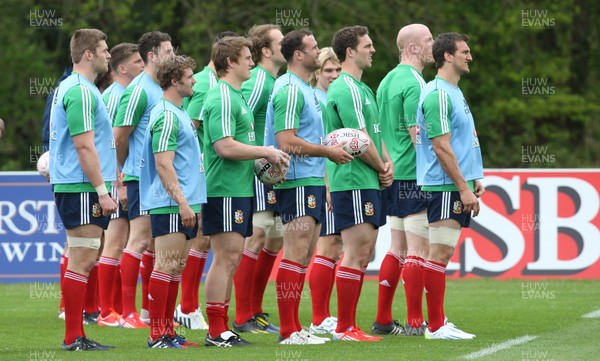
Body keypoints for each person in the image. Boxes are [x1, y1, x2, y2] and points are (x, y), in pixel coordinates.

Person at [202, 36, 290, 347]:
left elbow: (239, 149)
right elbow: (224, 146)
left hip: (238, 189)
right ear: (230, 63)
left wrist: (265, 171)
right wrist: (265, 151)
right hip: (223, 190)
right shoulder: (223, 97)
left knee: (232, 257)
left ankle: (222, 328)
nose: (252, 62)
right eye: (246, 57)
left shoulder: (237, 96)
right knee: (225, 258)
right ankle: (216, 331)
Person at [265, 29, 351, 345]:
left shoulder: (308, 89)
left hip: (312, 180)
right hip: (295, 181)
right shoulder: (289, 89)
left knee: (305, 255)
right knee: (295, 254)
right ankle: (288, 331)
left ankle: (296, 327)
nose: (320, 52)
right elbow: (285, 141)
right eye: (314, 48)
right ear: (298, 55)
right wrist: (328, 151)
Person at [49, 28, 117, 351]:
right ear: (88, 54)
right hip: (81, 186)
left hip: (81, 185)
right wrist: (103, 190)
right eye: (104, 50)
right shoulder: (80, 91)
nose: (108, 55)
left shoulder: (82, 89)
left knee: (87, 257)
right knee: (81, 258)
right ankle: (73, 336)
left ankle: (78, 334)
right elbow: (84, 147)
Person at [325, 25, 393, 342]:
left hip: (367, 179)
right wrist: (381, 167)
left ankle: (349, 326)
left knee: (364, 253)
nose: (373, 50)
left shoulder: (364, 90)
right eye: (367, 45)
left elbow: (373, 135)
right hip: (353, 180)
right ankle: (344, 328)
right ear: (350, 51)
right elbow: (357, 140)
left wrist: (386, 161)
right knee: (354, 252)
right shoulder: (347, 88)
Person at [415, 32, 484, 340]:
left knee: (440, 254)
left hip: (453, 183)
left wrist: (472, 177)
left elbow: (459, 140)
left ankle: (437, 322)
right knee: (438, 254)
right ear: (447, 56)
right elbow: (441, 146)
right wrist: (463, 188)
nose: (469, 57)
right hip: (444, 185)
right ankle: (435, 326)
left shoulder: (453, 91)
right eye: (464, 52)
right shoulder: (438, 94)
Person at [139, 55, 206, 348]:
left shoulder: (177, 111)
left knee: (175, 267)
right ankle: (157, 335)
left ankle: (168, 332)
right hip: (171, 203)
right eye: (190, 76)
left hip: (185, 201)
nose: (194, 80)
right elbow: (163, 164)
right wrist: (181, 202)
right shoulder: (166, 114)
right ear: (175, 81)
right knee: (165, 266)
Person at [372, 23, 434, 336]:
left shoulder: (386, 81)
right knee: (418, 251)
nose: (433, 45)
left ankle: (383, 319)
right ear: (412, 48)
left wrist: (387, 164)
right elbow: (418, 136)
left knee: (396, 248)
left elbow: (381, 132)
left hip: (394, 175)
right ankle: (415, 322)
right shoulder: (414, 82)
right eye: (428, 40)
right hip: (414, 175)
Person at [175, 31, 238, 331]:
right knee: (200, 240)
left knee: (209, 242)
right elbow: (188, 129)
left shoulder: (226, 86)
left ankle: (191, 306)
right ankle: (187, 307)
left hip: (213, 175)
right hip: (205, 173)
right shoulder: (205, 85)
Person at [114, 31, 175, 328]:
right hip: (141, 176)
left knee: (153, 243)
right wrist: (123, 173)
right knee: (137, 241)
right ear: (152, 55)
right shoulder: (139, 89)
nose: (173, 56)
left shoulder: (160, 87)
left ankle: (149, 311)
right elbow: (119, 135)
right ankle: (127, 313)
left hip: (158, 176)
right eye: (168, 51)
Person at [233, 24, 286, 334]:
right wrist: (259, 160)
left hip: (272, 172)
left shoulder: (272, 81)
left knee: (274, 237)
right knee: (257, 237)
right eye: (281, 42)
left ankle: (255, 309)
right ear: (266, 50)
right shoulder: (258, 83)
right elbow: (242, 120)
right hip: (256, 172)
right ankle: (243, 316)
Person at [97, 42, 144, 327]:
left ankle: (119, 310)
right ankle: (108, 312)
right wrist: (119, 182)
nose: (142, 65)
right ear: (122, 68)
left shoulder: (128, 93)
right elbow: (110, 143)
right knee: (114, 243)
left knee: (123, 241)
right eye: (138, 61)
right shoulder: (115, 97)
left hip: (122, 177)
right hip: (117, 179)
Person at [307, 47, 343, 335]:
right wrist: (328, 185)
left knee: (336, 247)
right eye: (328, 70)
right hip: (323, 182)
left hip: (338, 181)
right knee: (328, 247)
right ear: (317, 72)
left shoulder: (336, 97)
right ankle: (319, 318)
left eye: (337, 70)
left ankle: (323, 315)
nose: (333, 75)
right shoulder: (315, 99)